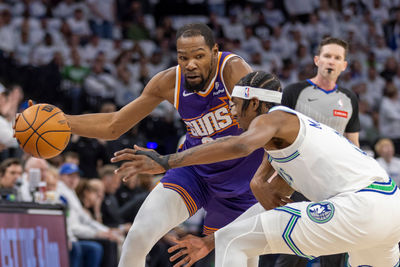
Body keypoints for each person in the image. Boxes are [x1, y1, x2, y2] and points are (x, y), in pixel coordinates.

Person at [18, 23, 263, 266]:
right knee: (138, 235)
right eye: (183, 57)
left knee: (236, 260)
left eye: (199, 56)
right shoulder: (168, 82)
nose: (190, 64)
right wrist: (61, 121)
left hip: (242, 183)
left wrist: (165, 161)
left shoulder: (234, 71)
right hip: (194, 171)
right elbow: (114, 125)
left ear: (214, 52)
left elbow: (248, 141)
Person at [111, 71, 400, 267]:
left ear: (254, 103)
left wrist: (166, 161)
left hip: (361, 205)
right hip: (388, 210)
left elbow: (239, 145)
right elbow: (272, 205)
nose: (232, 112)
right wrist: (210, 240)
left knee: (234, 241)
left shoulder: (276, 117)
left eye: (235, 105)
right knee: (233, 238)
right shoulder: (288, 143)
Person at [277, 37, 360, 266]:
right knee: (294, 251)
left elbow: (354, 146)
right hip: (297, 183)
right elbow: (275, 137)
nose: (331, 61)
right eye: (327, 56)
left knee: (333, 251)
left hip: (335, 186)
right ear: (317, 60)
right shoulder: (294, 92)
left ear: (344, 65)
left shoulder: (349, 99)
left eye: (337, 58)